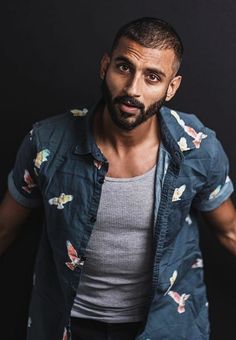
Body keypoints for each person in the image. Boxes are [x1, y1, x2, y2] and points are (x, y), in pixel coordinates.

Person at [0, 17, 235, 340]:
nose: (132, 89)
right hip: (69, 322)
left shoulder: (198, 147)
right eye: (124, 68)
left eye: (152, 77)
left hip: (165, 323)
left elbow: (229, 230)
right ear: (104, 66)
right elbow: (5, 227)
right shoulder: (46, 143)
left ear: (171, 88)